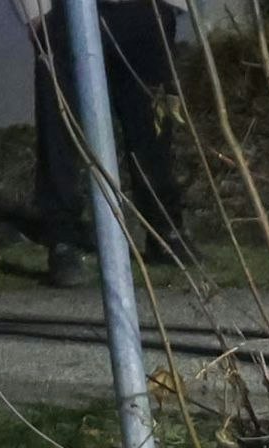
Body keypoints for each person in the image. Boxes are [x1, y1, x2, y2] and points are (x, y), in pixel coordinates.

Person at [23, 0, 184, 288]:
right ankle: (63, 239)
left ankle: (166, 231)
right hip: (64, 12)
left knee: (153, 126)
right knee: (60, 126)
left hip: (143, 10)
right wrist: (34, 13)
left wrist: (170, 7)